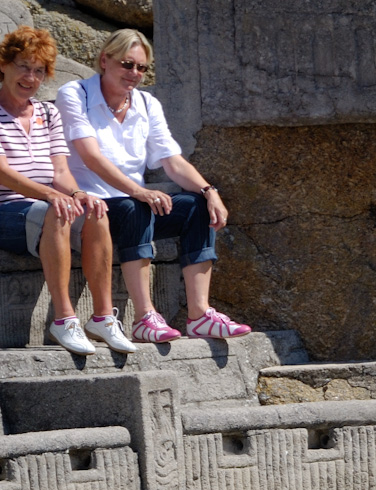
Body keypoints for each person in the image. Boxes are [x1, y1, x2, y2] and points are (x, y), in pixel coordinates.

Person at [54, 29, 250, 343]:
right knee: (136, 206)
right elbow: (90, 155)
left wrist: (209, 191)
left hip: (134, 206)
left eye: (142, 68)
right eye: (126, 64)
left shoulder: (146, 103)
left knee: (195, 207)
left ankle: (200, 315)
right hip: (91, 211)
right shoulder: (75, 94)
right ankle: (145, 317)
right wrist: (138, 190)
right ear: (105, 60)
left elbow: (172, 161)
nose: (134, 73)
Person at [0, 26, 133, 357]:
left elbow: (60, 173)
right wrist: (53, 196)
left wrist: (78, 194)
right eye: (24, 66)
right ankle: (64, 319)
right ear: (4, 65)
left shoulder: (48, 112)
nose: (31, 77)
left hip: (40, 210)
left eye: (39, 70)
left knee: (96, 209)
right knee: (57, 208)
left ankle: (102, 318)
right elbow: (1, 172)